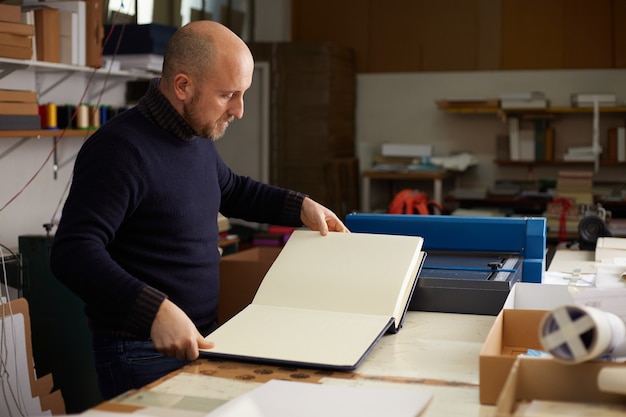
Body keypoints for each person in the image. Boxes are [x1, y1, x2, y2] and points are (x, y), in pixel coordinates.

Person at [49, 20, 348, 400]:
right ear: (183, 85)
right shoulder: (119, 150)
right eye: (228, 95)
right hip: (142, 351)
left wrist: (300, 206)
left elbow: (231, 188)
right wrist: (154, 310)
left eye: (243, 94)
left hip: (202, 337)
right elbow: (72, 252)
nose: (239, 110)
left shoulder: (194, 136)